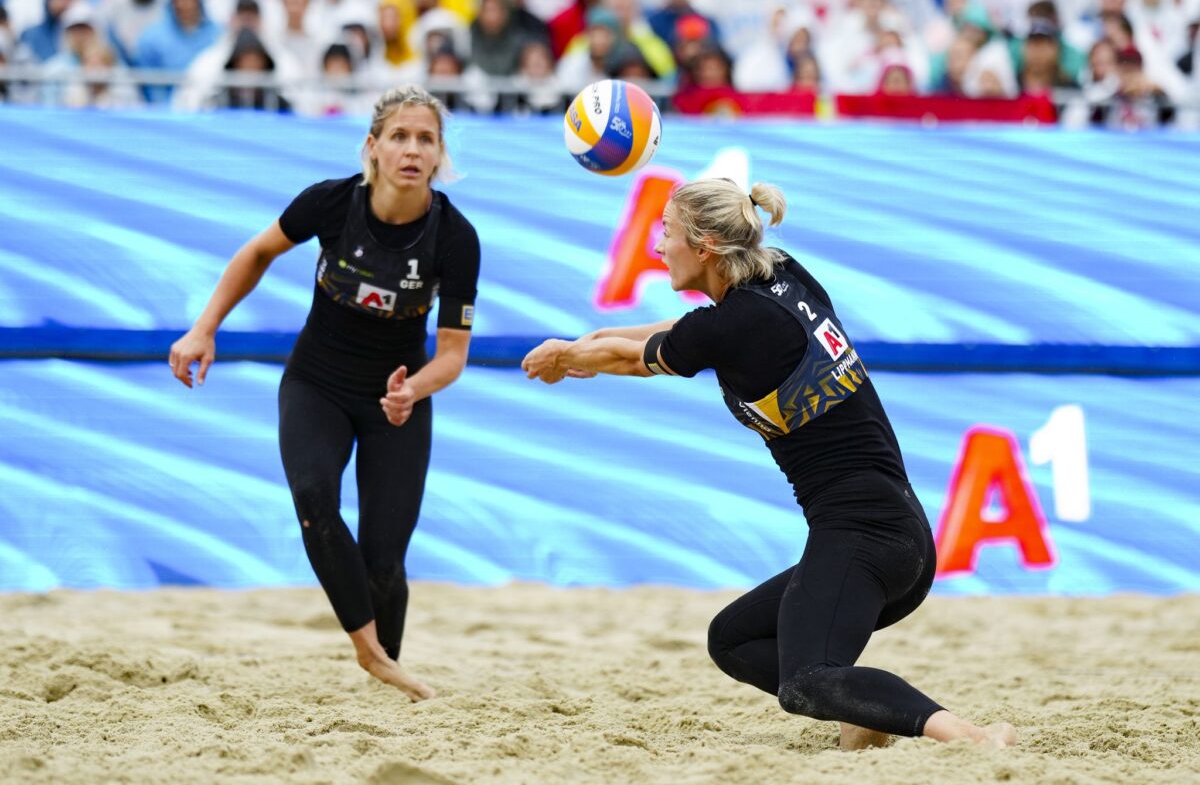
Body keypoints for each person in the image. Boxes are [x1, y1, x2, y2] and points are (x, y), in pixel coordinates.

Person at [521, 178, 1018, 750]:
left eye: (667, 231)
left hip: (868, 535)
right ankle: (862, 712)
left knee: (806, 681)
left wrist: (568, 355)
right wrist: (586, 342)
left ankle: (970, 735)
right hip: (893, 533)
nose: (657, 245)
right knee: (731, 638)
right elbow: (664, 336)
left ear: (704, 245)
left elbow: (637, 357)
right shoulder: (780, 275)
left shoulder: (731, 326)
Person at [169, 85, 480, 701]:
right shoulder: (332, 204)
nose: (412, 149)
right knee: (313, 498)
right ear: (373, 147)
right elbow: (257, 252)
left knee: (385, 562)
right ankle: (373, 657)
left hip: (397, 399)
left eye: (426, 139)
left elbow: (452, 356)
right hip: (318, 382)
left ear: (440, 155)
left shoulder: (454, 238)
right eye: (399, 136)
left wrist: (410, 390)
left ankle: (385, 670)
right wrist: (204, 328)